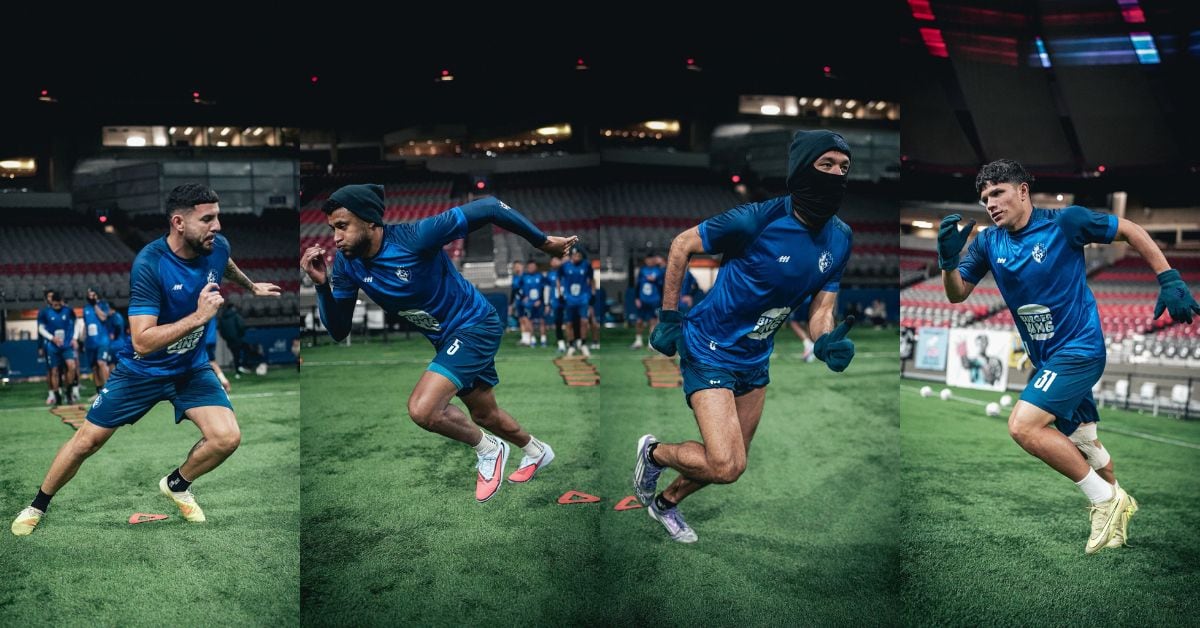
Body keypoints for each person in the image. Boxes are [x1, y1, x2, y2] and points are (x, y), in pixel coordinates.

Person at [938, 158, 1199, 553]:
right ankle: (1116, 518)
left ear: (1022, 190)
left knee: (1023, 426)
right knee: (1089, 448)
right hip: (1047, 360)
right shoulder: (989, 242)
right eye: (984, 197)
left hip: (1079, 350)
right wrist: (946, 262)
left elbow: (1128, 229)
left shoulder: (1066, 222)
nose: (989, 203)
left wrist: (1169, 277)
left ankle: (1105, 501)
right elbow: (957, 293)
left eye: (998, 193)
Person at [11, 183, 282, 536]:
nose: (217, 226)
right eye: (208, 219)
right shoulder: (150, 264)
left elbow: (224, 262)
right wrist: (199, 318)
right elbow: (142, 341)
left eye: (218, 217)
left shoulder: (217, 245)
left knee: (226, 437)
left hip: (190, 368)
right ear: (178, 223)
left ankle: (177, 484)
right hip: (142, 371)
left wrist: (250, 286)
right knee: (86, 441)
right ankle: (37, 504)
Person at [633, 130, 857, 542]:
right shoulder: (758, 218)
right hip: (710, 347)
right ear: (801, 170)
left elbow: (822, 308)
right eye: (826, 164)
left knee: (733, 461)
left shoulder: (841, 238)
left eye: (844, 167)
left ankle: (665, 503)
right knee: (726, 465)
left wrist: (823, 340)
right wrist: (668, 317)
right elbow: (682, 244)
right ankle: (653, 452)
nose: (837, 174)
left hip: (756, 358)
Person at [300, 184, 575, 502]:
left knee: (423, 409)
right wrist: (321, 287)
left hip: (475, 325)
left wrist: (543, 242)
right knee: (485, 415)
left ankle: (488, 450)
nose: (335, 237)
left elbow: (488, 206)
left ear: (370, 221)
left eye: (343, 226)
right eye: (332, 228)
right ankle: (537, 451)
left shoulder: (416, 236)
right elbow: (337, 330)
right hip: (446, 338)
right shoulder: (347, 264)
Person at [37, 291, 78, 405]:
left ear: (61, 301)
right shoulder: (45, 312)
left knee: (72, 366)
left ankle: (68, 392)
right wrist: (52, 338)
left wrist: (74, 337)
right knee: (54, 371)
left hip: (66, 345)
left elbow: (77, 323)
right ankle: (57, 396)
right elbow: (40, 329)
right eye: (55, 304)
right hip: (52, 346)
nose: (57, 306)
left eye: (59, 304)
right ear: (52, 302)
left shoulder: (68, 311)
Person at [558, 248, 596, 358]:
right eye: (574, 255)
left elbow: (591, 279)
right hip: (569, 298)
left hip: (583, 297)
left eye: (579, 255)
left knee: (584, 321)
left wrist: (592, 293)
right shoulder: (564, 266)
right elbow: (559, 279)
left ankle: (583, 344)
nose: (576, 257)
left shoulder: (586, 265)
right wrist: (560, 293)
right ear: (571, 256)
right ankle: (571, 345)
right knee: (569, 323)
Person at [79, 288, 113, 398]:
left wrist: (95, 306)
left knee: (101, 363)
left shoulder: (103, 305)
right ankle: (99, 391)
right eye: (89, 295)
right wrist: (82, 339)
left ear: (97, 295)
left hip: (102, 340)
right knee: (94, 367)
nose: (90, 297)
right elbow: (86, 324)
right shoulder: (85, 309)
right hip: (90, 342)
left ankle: (108, 390)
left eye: (93, 295)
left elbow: (103, 317)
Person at [630, 253, 664, 351]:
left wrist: (655, 280)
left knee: (653, 321)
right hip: (642, 299)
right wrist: (636, 298)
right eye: (648, 259)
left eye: (652, 259)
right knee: (639, 320)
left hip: (654, 300)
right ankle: (638, 341)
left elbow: (662, 285)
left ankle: (651, 343)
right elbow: (637, 285)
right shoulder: (642, 270)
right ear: (645, 260)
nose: (650, 261)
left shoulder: (659, 271)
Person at [520, 260, 548, 347]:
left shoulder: (540, 277)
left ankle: (543, 339)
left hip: (539, 303)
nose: (531, 268)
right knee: (530, 321)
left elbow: (545, 289)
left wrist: (541, 300)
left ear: (536, 267)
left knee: (542, 321)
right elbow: (518, 289)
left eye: (533, 266)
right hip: (529, 304)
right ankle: (533, 339)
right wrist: (523, 297)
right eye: (530, 267)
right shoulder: (524, 277)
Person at [217, 302, 248, 376]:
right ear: (232, 307)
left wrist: (226, 338)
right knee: (246, 350)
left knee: (235, 354)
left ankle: (238, 370)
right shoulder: (236, 315)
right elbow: (241, 326)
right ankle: (241, 366)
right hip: (238, 338)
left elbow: (221, 330)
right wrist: (241, 334)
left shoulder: (222, 317)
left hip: (229, 340)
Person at [546, 256, 568, 353]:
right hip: (556, 302)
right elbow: (547, 289)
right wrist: (547, 303)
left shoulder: (568, 271)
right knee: (558, 322)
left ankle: (573, 342)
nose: (555, 262)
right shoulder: (550, 274)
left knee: (571, 322)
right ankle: (561, 344)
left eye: (557, 259)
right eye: (553, 260)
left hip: (569, 301)